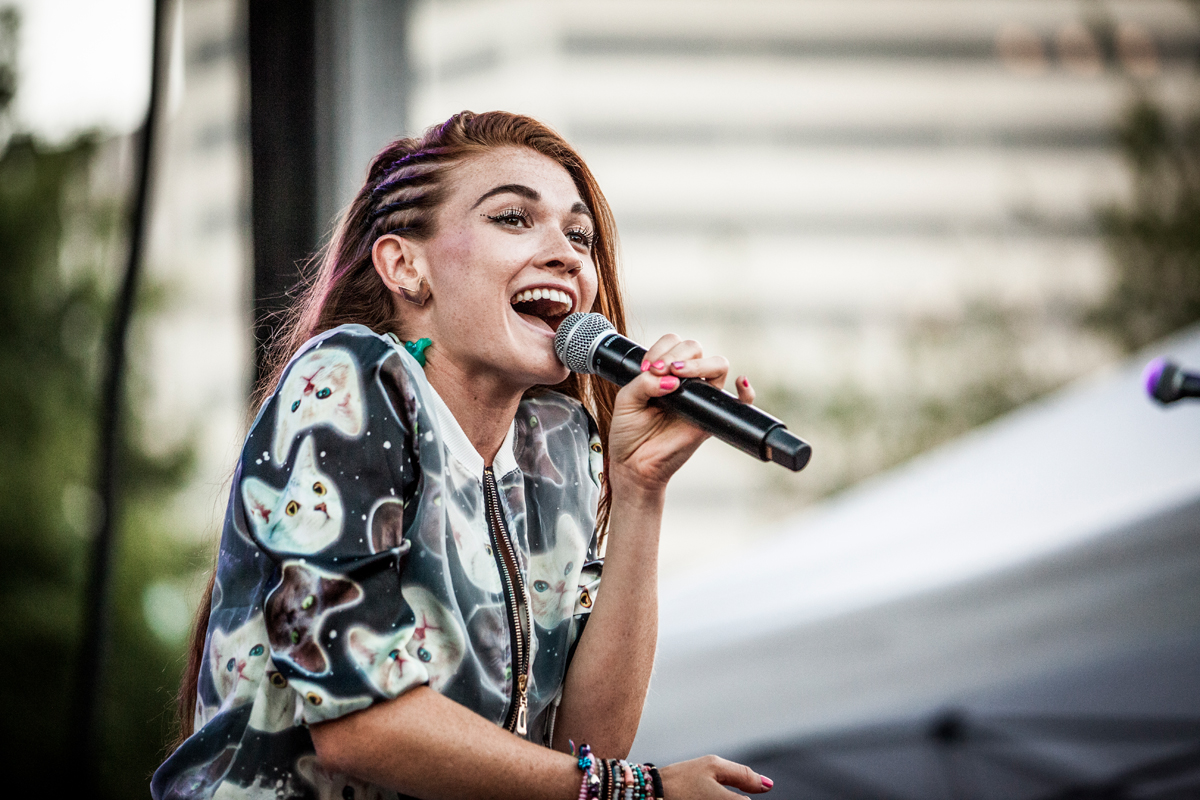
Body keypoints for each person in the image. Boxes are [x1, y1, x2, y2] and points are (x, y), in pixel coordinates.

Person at [152, 111, 774, 800]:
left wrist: (639, 490)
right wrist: (640, 791)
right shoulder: (351, 380)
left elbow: (583, 747)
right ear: (405, 266)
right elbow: (360, 724)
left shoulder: (557, 446)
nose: (567, 255)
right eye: (513, 218)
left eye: (579, 235)